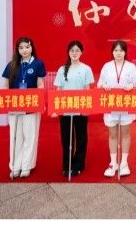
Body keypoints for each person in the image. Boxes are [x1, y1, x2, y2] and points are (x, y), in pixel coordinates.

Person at [1, 37, 46, 179]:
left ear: (32, 47)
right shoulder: (12, 65)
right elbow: (5, 85)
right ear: (17, 50)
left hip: (31, 106)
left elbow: (40, 85)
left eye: (27, 47)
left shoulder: (38, 64)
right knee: (15, 137)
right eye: (21, 48)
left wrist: (41, 101)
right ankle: (15, 166)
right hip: (15, 106)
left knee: (30, 136)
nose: (24, 50)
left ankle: (26, 166)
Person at [97, 40, 136, 178]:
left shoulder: (131, 67)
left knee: (126, 134)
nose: (118, 53)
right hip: (111, 104)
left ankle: (124, 163)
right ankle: (113, 163)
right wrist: (103, 85)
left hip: (126, 104)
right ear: (112, 52)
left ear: (125, 52)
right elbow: (99, 83)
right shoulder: (107, 66)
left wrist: (132, 85)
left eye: (121, 50)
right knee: (112, 134)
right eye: (116, 50)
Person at [54, 40, 95, 177]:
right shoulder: (62, 69)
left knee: (81, 137)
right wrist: (57, 108)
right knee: (66, 138)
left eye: (77, 50)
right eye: (72, 50)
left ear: (81, 52)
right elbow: (59, 90)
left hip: (81, 106)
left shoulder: (86, 69)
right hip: (65, 108)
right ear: (68, 52)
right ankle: (67, 165)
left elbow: (87, 89)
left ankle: (79, 165)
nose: (74, 53)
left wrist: (87, 107)